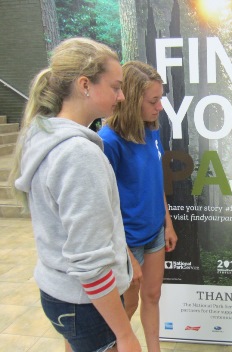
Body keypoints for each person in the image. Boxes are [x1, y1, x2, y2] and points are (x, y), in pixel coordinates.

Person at [9, 38, 141, 352]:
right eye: (115, 87)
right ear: (85, 85)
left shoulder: (44, 134)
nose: (121, 97)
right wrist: (124, 334)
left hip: (60, 294)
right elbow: (90, 264)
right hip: (86, 304)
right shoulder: (78, 154)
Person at [98, 61, 178, 352]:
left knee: (153, 296)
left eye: (160, 99)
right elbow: (103, 205)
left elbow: (156, 182)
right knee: (125, 308)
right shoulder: (108, 141)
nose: (159, 107)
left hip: (155, 231)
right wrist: (126, 255)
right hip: (127, 242)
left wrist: (167, 222)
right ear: (132, 100)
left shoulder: (151, 130)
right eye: (153, 101)